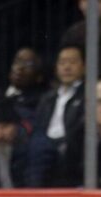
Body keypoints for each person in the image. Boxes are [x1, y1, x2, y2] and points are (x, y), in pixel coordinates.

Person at [28, 44, 86, 187]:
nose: (67, 67)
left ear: (84, 67)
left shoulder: (87, 95)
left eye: (72, 62)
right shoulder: (48, 98)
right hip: (45, 146)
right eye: (62, 63)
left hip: (69, 148)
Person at [4, 48, 48, 132]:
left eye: (28, 64)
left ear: (39, 77)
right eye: (18, 61)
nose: (20, 67)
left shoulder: (40, 101)